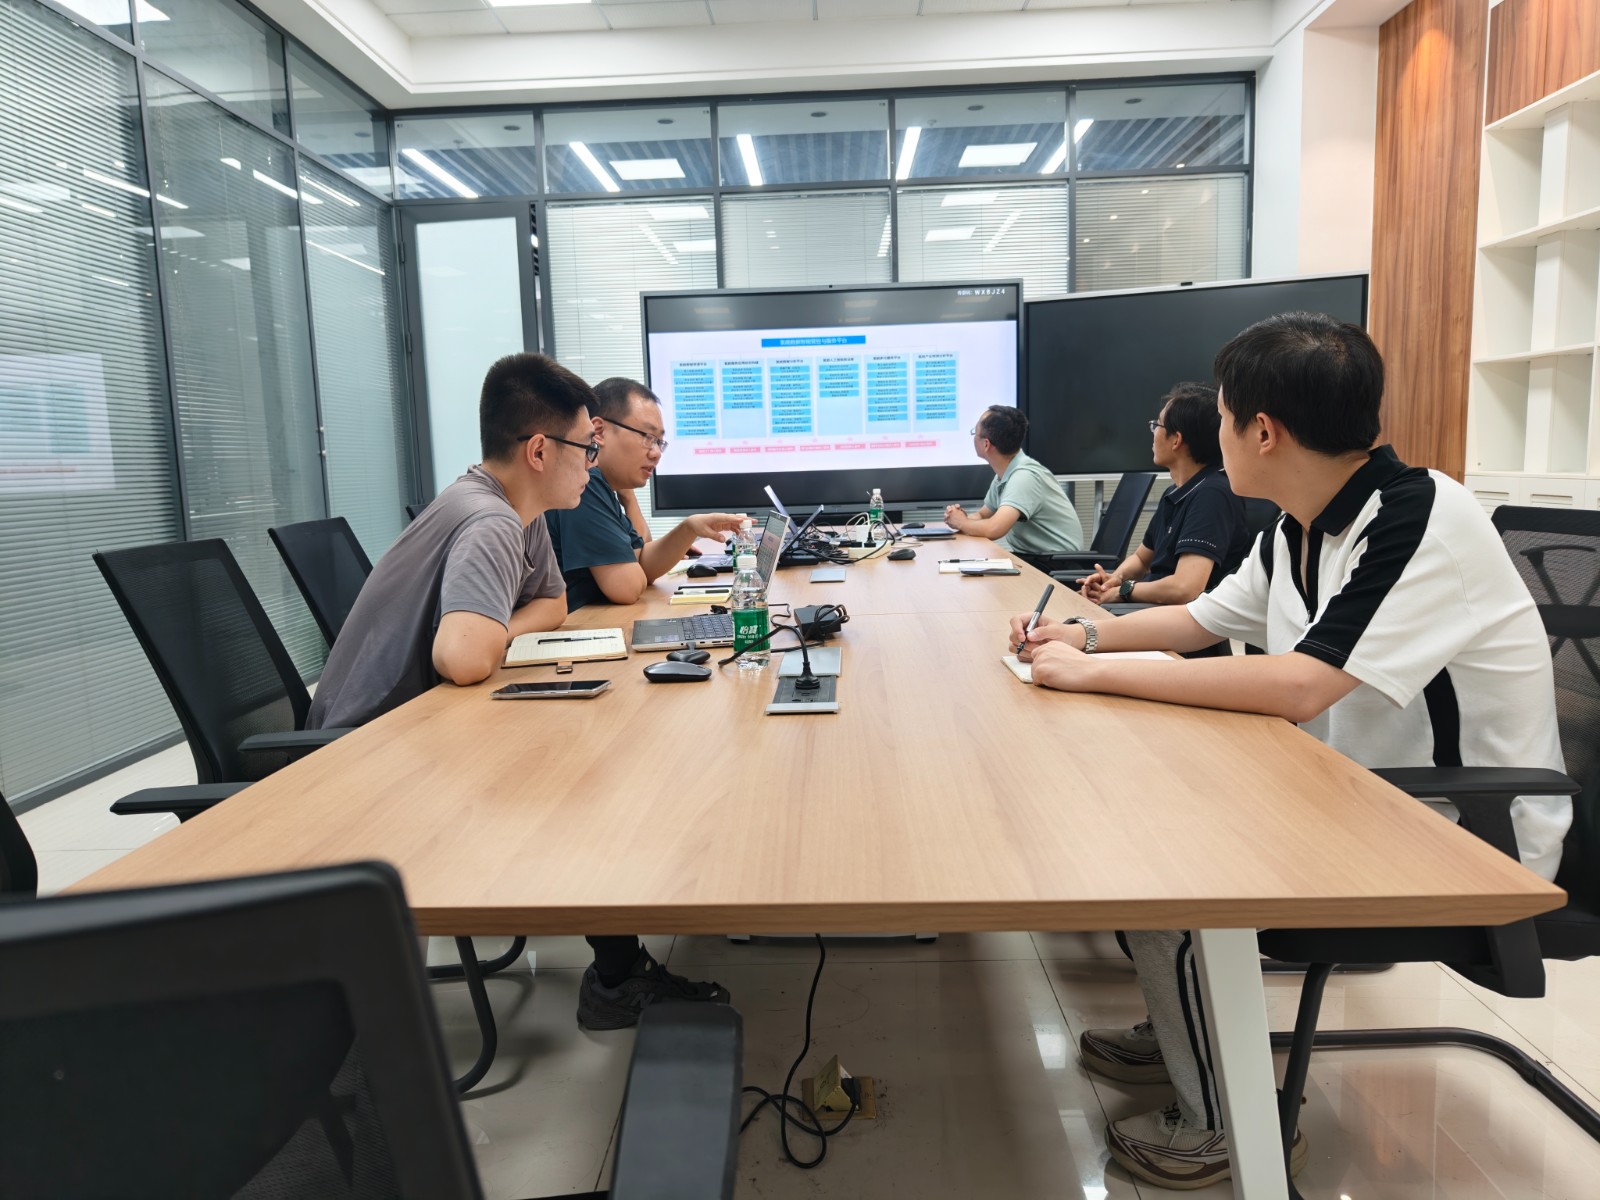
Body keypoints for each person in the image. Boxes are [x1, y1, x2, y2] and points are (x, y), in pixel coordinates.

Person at [1006, 312, 1569, 1190]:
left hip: (1465, 833)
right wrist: (1079, 634)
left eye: (1225, 415)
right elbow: (1201, 620)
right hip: (1357, 796)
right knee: (1144, 808)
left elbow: (1303, 684)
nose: (1217, 432)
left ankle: (1223, 1124)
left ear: (1261, 431)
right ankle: (1190, 1023)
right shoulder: (1297, 525)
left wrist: (1092, 674)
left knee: (1164, 873)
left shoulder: (1420, 517)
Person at [311, 353, 729, 1029]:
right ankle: (617, 979)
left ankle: (618, 969)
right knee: (584, 778)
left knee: (590, 753)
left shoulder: (519, 510)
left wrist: (494, 630)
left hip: (416, 729)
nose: (592, 463)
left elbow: (553, 604)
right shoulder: (490, 520)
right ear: (539, 450)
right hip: (366, 758)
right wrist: (487, 634)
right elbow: (462, 656)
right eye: (586, 448)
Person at [546, 377, 748, 611]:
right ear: (599, 431)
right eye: (647, 437)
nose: (656, 453)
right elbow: (628, 588)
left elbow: (643, 562)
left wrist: (689, 528)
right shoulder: (585, 484)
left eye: (659, 442)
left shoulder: (604, 485)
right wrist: (636, 568)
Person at [1077, 383, 1250, 607]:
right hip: (1151, 608)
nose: (1153, 432)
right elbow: (1142, 559)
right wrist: (1114, 580)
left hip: (1178, 620)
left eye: (1156, 425)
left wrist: (1125, 590)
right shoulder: (1175, 492)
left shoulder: (1212, 495)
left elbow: (1185, 588)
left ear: (1176, 439)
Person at [944, 405, 1084, 557]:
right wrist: (960, 518)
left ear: (986, 444)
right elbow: (983, 515)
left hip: (1057, 562)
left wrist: (961, 523)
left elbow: (994, 529)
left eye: (974, 433)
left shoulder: (1024, 477)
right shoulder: (1006, 473)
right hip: (1034, 557)